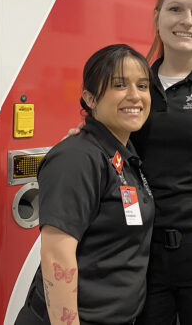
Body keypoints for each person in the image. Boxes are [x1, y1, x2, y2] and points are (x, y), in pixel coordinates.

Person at [69, 0, 192, 325]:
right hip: (142, 252)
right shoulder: (137, 86)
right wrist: (83, 137)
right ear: (157, 17)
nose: (187, 21)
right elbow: (107, 135)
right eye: (175, 9)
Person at [15, 44, 155, 325]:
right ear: (90, 98)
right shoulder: (77, 157)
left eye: (142, 85)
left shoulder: (119, 152)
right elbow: (57, 255)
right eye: (119, 85)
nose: (135, 95)